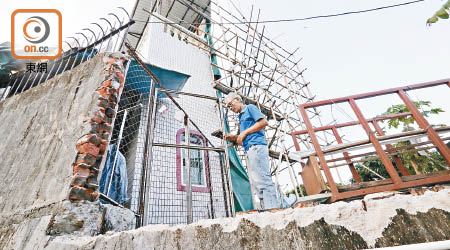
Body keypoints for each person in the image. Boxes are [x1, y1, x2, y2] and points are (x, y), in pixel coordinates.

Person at [223, 92, 280, 210]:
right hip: (249, 148)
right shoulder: (241, 117)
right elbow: (243, 135)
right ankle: (267, 208)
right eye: (228, 107)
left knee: (263, 178)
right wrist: (232, 137)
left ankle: (272, 208)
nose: (231, 108)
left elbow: (263, 122)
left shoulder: (250, 108)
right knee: (257, 182)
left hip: (256, 146)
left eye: (230, 104)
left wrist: (243, 133)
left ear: (237, 99)